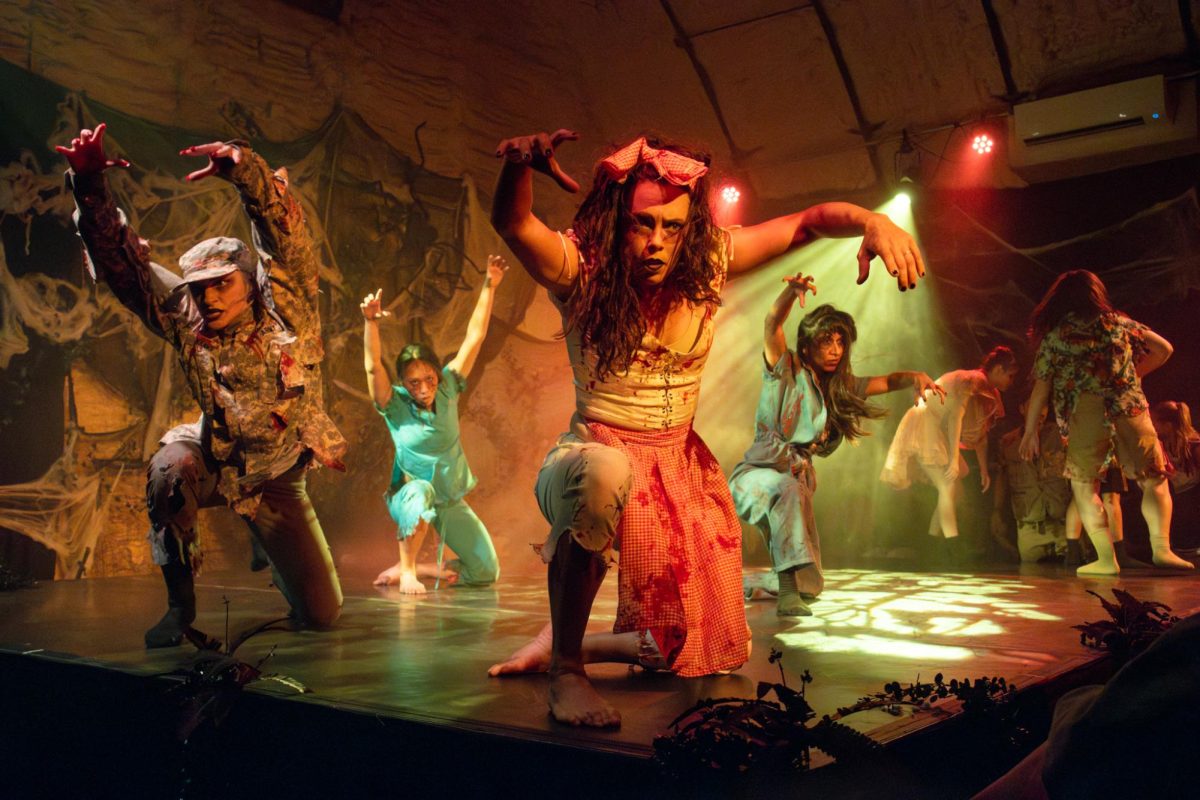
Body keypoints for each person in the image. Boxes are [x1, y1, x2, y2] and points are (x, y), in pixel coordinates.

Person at [486, 129, 926, 728]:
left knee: (696, 654)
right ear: (619, 219)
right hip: (593, 451)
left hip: (675, 469)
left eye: (673, 226)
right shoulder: (582, 268)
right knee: (605, 474)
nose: (657, 242)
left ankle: (566, 643)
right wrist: (518, 168)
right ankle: (567, 669)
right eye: (643, 224)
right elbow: (515, 226)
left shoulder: (710, 263)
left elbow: (808, 224)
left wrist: (874, 219)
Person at [58, 124, 345, 647]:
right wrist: (89, 184)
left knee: (322, 615)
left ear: (247, 280)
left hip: (277, 476)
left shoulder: (288, 310)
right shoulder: (185, 318)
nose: (210, 299)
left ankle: (273, 550)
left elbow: (285, 242)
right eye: (199, 289)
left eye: (222, 285)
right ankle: (180, 607)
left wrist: (246, 173)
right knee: (170, 472)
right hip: (216, 457)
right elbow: (123, 267)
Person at [729, 278, 943, 615]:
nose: (835, 350)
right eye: (827, 341)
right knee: (785, 490)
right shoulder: (786, 369)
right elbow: (772, 323)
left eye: (841, 342)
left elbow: (886, 381)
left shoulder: (841, 386)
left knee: (811, 585)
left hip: (794, 482)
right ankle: (786, 596)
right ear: (808, 343)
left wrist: (915, 376)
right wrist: (789, 293)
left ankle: (754, 585)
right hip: (756, 476)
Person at [1019, 270, 1189, 574]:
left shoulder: (1057, 335)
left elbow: (1042, 386)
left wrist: (1030, 431)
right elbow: (1164, 349)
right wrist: (1135, 375)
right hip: (1129, 406)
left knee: (1085, 487)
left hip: (1085, 413)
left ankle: (1106, 560)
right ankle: (1162, 549)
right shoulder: (1120, 323)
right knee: (1154, 478)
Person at [361, 256, 506, 594]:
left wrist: (489, 285)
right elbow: (372, 370)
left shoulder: (449, 387)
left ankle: (423, 568)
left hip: (447, 500)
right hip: (410, 497)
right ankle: (408, 571)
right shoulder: (393, 405)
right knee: (422, 490)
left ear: (437, 375)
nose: (423, 389)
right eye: (413, 383)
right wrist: (371, 323)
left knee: (486, 571)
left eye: (428, 379)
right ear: (403, 383)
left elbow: (474, 338)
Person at [880, 347, 1019, 562]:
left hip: (936, 428)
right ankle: (954, 548)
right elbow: (956, 417)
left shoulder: (988, 391)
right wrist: (953, 459)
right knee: (947, 486)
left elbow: (980, 433)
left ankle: (933, 543)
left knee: (953, 489)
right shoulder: (975, 379)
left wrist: (983, 469)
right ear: (999, 369)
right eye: (1010, 375)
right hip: (926, 422)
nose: (1011, 381)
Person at [992, 398, 1071, 563]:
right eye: (1034, 404)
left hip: (1063, 525)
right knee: (1033, 580)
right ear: (1022, 408)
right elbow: (1002, 477)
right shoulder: (1009, 442)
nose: (1041, 411)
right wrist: (997, 510)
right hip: (1030, 526)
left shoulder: (1060, 436)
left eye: (1044, 405)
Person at [1151, 400, 1200, 556]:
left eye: (1155, 422)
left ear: (1168, 425)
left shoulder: (1193, 445)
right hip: (1179, 496)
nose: (1152, 427)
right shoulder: (1163, 444)